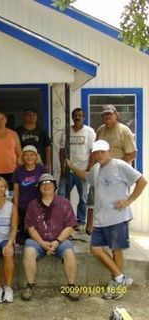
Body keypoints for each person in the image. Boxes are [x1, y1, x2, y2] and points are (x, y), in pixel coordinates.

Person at [67, 140, 147, 300]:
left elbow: (142, 181)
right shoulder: (96, 168)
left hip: (117, 217)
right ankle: (120, 278)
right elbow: (86, 176)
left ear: (109, 151)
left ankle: (115, 284)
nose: (99, 155)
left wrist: (128, 201)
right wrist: (72, 167)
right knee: (95, 249)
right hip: (100, 219)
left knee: (117, 251)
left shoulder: (120, 165)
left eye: (102, 152)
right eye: (96, 153)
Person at [22, 173, 79, 301]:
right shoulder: (32, 205)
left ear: (55, 187)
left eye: (50, 184)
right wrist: (42, 243)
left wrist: (57, 241)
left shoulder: (64, 203)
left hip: (59, 240)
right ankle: (30, 286)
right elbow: (30, 227)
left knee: (69, 252)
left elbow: (69, 226)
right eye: (43, 184)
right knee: (29, 251)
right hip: (39, 241)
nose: (46, 186)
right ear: (39, 188)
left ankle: (71, 286)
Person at [87, 104, 138, 234]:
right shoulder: (100, 130)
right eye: (104, 115)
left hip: (118, 175)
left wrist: (117, 168)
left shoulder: (124, 130)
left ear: (116, 115)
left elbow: (132, 153)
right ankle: (94, 229)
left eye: (110, 114)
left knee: (118, 204)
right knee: (95, 200)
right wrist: (90, 168)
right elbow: (95, 151)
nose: (107, 116)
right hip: (101, 171)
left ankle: (120, 231)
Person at [58, 108, 96, 228]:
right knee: (61, 197)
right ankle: (64, 221)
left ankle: (80, 222)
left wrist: (88, 169)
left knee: (83, 198)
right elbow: (62, 151)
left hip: (82, 171)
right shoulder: (66, 131)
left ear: (83, 117)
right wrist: (62, 167)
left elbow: (93, 152)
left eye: (80, 115)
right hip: (68, 170)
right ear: (72, 117)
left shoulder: (89, 131)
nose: (77, 117)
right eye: (75, 115)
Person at [12, 145, 46, 244]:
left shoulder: (42, 170)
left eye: (32, 155)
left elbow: (47, 189)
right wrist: (15, 210)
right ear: (22, 157)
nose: (29, 157)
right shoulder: (18, 171)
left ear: (36, 157)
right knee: (23, 235)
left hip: (38, 207)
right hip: (23, 206)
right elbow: (16, 192)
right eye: (26, 155)